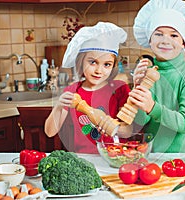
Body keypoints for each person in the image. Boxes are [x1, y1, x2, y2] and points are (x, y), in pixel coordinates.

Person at [44, 22, 132, 153]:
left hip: (115, 156)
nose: (98, 70)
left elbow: (128, 131)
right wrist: (58, 106)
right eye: (92, 62)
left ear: (113, 66)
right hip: (84, 158)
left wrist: (111, 126)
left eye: (106, 64)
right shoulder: (72, 92)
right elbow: (50, 132)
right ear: (81, 61)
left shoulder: (120, 89)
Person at [129, 0, 185, 153]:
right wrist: (138, 89)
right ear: (150, 40)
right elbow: (140, 122)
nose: (165, 40)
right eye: (158, 34)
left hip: (184, 159)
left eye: (174, 35)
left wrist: (151, 106)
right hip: (152, 156)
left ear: (183, 42)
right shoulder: (148, 72)